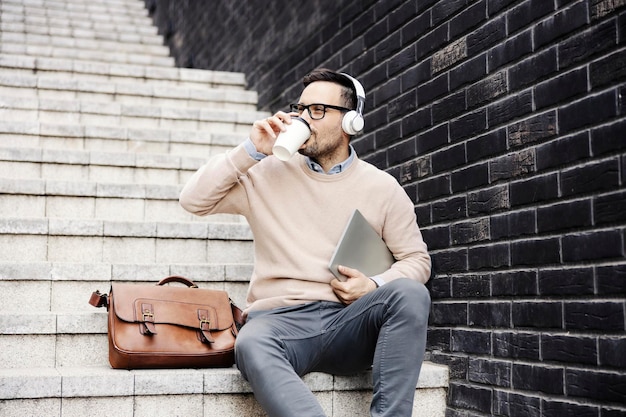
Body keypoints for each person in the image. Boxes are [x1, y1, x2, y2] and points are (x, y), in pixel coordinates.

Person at [179, 68, 431, 417]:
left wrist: (373, 284)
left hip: (348, 322)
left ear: (350, 123)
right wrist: (251, 150)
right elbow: (193, 200)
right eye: (300, 108)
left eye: (316, 110)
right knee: (251, 343)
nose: (303, 118)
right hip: (279, 323)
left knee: (411, 294)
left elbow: (417, 260)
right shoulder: (263, 173)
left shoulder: (383, 187)